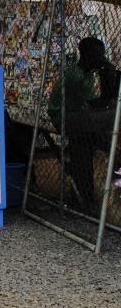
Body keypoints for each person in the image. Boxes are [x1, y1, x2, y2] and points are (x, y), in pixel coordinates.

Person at [48, 36, 121, 213]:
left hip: (79, 119)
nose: (101, 59)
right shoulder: (75, 76)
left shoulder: (86, 74)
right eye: (98, 56)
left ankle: (114, 158)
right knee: (112, 116)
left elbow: (91, 105)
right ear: (87, 56)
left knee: (87, 139)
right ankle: (116, 157)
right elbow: (80, 110)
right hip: (64, 117)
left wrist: (108, 78)